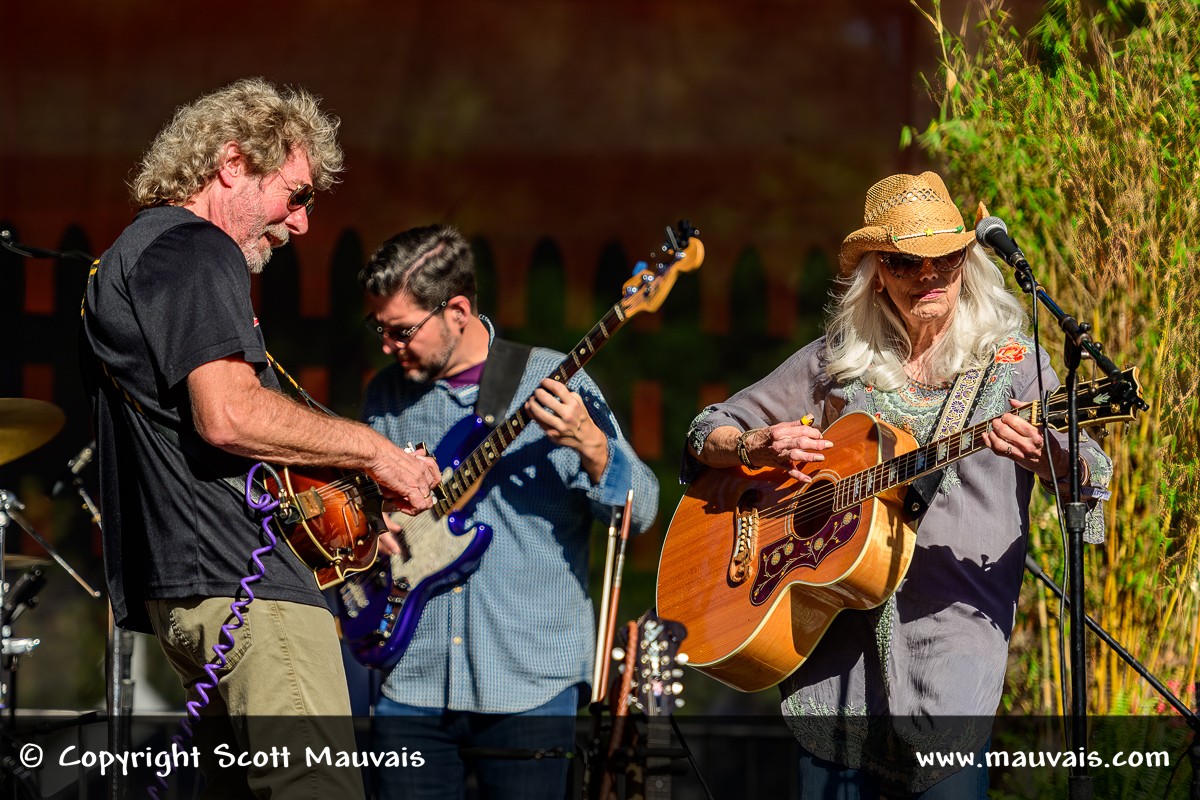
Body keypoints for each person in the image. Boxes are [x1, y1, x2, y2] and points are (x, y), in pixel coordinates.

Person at [680, 172, 1112, 798]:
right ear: (877, 271)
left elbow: (1093, 469)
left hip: (950, 652)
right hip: (834, 668)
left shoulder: (1012, 362)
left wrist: (1055, 462)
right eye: (908, 263)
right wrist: (751, 444)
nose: (929, 277)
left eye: (947, 259)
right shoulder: (838, 360)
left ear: (968, 260)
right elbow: (704, 432)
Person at [80, 78, 441, 798]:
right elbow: (230, 415)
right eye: (297, 194)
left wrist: (359, 494)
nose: (302, 224)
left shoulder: (141, 255)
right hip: (247, 597)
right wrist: (374, 449)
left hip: (195, 595)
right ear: (232, 161)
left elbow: (220, 446)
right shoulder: (192, 248)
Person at [356, 224, 660, 800]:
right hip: (410, 675)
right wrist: (376, 531)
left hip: (529, 680)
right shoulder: (384, 396)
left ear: (458, 311)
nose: (388, 347)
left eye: (400, 332)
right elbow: (363, 511)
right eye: (380, 330)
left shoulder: (554, 380)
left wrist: (593, 447)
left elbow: (640, 510)